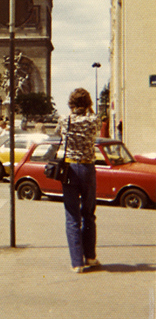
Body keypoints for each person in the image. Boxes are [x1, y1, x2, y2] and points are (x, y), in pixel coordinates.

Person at [55, 88, 101, 273]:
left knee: (72, 215)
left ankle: (77, 263)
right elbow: (95, 128)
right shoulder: (93, 119)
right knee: (88, 213)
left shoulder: (65, 120)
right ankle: (90, 256)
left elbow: (59, 134)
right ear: (88, 103)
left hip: (70, 169)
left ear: (71, 104)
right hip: (88, 168)